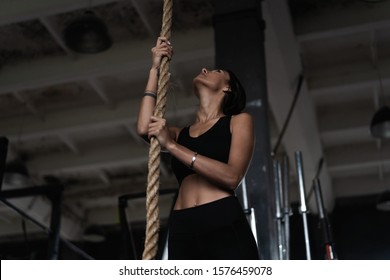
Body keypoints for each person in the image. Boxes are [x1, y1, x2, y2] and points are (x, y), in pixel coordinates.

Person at [137, 37, 259, 260]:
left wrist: (172, 147)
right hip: (182, 225)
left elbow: (232, 177)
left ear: (227, 87)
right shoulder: (180, 133)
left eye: (216, 71)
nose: (205, 69)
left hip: (221, 218)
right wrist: (155, 68)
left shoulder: (239, 121)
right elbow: (145, 128)